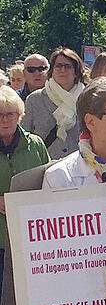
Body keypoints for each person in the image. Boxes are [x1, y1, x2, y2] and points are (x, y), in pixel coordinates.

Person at [0, 85, 50, 249]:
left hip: (31, 232)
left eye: (10, 114)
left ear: (19, 115)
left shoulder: (35, 144)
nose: (4, 119)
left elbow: (49, 179)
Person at [21, 48, 86, 159]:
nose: (63, 70)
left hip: (80, 166)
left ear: (76, 71)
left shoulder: (87, 99)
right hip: (44, 166)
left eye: (68, 66)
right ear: (51, 70)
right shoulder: (34, 99)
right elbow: (24, 137)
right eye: (58, 66)